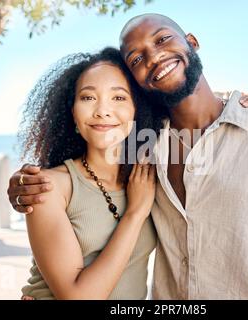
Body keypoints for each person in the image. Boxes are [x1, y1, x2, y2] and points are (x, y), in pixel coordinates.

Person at [9, 14, 248, 299]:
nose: (153, 57)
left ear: (192, 42)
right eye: (136, 59)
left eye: (163, 39)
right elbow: (87, 166)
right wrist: (22, 184)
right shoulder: (143, 146)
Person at [17, 48, 158, 300]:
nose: (102, 110)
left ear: (137, 109)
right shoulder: (47, 187)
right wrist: (135, 214)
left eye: (118, 98)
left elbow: (195, 113)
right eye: (88, 98)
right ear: (72, 112)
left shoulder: (147, 176)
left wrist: (241, 102)